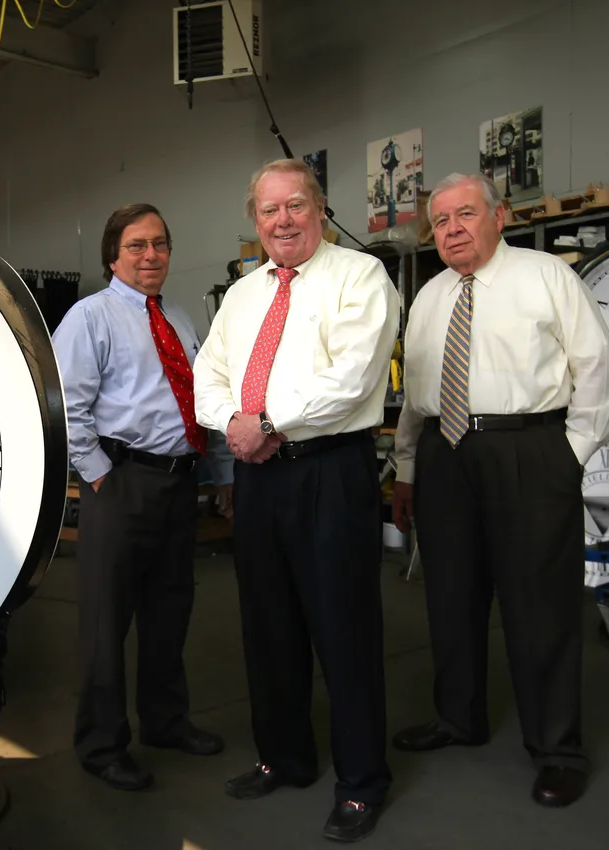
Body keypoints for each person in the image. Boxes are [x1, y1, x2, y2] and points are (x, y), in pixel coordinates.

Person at [390, 173, 609, 808]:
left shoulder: (549, 277)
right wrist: (408, 470)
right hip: (444, 455)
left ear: (501, 217)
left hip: (529, 448)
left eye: (465, 214)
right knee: (451, 596)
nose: (453, 229)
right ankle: (458, 718)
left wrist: (566, 457)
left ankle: (556, 749)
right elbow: (416, 396)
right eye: (440, 221)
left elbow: (597, 370)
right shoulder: (432, 295)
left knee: (539, 605)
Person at [194, 159, 399, 843]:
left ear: (319, 208)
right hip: (259, 476)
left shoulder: (360, 276)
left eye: (296, 206)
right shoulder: (244, 294)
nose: (282, 220)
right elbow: (209, 374)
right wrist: (232, 424)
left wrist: (267, 422)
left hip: (328, 471)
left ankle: (362, 783)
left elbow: (353, 375)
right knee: (268, 626)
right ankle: (284, 758)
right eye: (268, 210)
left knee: (344, 631)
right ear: (255, 220)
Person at [53, 202, 230, 793]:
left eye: (159, 244)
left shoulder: (177, 318)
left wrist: (220, 472)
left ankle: (166, 721)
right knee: (107, 623)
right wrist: (100, 475)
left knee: (169, 612)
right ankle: (101, 745)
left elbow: (203, 400)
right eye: (137, 246)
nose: (151, 256)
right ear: (113, 255)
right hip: (122, 483)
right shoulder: (90, 317)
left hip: (180, 482)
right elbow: (67, 406)